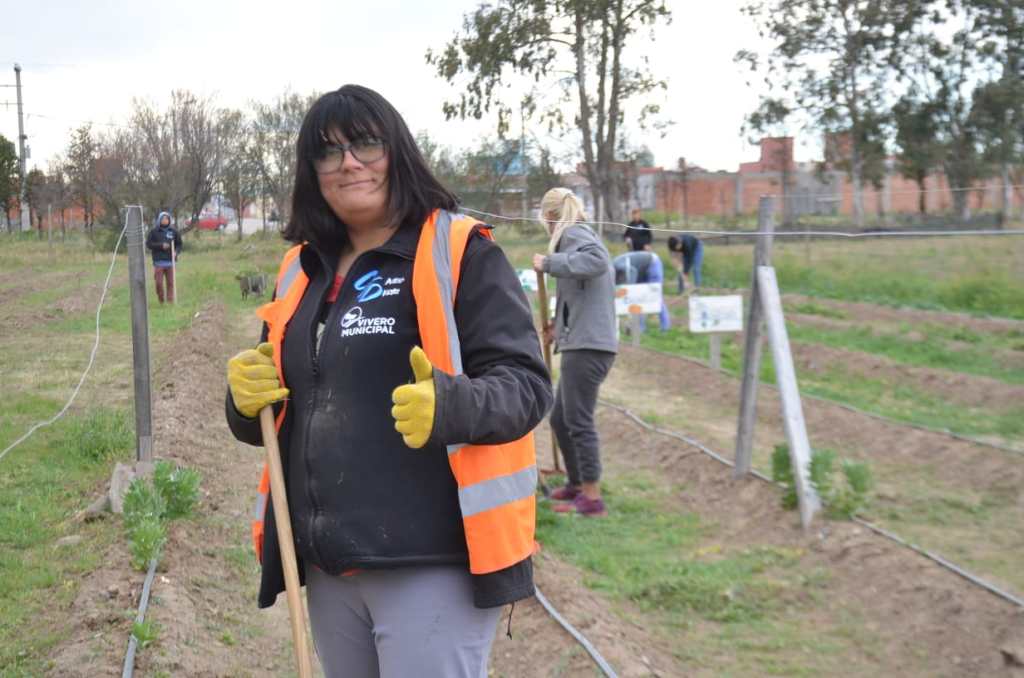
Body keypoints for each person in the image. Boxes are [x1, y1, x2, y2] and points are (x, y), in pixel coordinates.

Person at [224, 85, 552, 678]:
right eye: (329, 152)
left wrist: (449, 405)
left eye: (366, 144)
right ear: (312, 172)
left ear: (397, 151)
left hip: (431, 562)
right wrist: (243, 403)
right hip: (328, 564)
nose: (349, 163)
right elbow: (281, 405)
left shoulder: (458, 251)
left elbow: (527, 386)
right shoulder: (301, 269)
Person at [532, 188, 617, 517]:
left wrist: (549, 263)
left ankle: (592, 498)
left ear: (550, 216)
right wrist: (558, 326)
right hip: (581, 341)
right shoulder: (575, 237)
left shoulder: (574, 234)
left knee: (578, 420)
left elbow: (597, 262)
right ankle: (577, 483)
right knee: (560, 418)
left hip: (589, 346)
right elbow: (579, 295)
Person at [612, 249, 670, 331]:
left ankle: (665, 328)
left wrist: (630, 289)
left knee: (656, 297)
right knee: (639, 300)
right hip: (641, 269)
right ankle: (641, 328)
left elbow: (632, 271)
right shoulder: (613, 270)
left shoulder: (617, 265)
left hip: (652, 263)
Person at [146, 211, 181, 304]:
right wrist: (161, 246)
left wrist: (176, 252)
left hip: (170, 261)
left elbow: (179, 244)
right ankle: (161, 299)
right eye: (163, 219)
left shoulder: (173, 231)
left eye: (167, 219)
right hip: (159, 261)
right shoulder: (154, 232)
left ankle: (170, 301)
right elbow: (149, 244)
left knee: (170, 283)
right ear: (159, 220)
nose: (165, 220)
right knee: (159, 283)